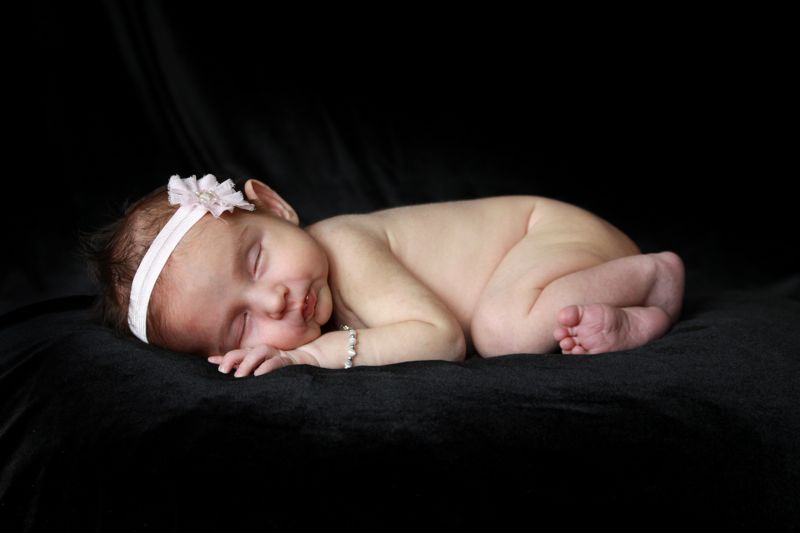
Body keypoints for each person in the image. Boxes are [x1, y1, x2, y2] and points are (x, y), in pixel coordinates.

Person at [83, 174, 685, 377]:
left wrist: (308, 358)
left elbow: (440, 339)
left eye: (257, 260)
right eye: (240, 325)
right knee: (514, 324)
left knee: (504, 331)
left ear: (273, 208)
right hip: (544, 267)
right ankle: (634, 311)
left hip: (548, 235)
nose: (274, 301)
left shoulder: (340, 243)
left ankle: (654, 275)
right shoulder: (315, 285)